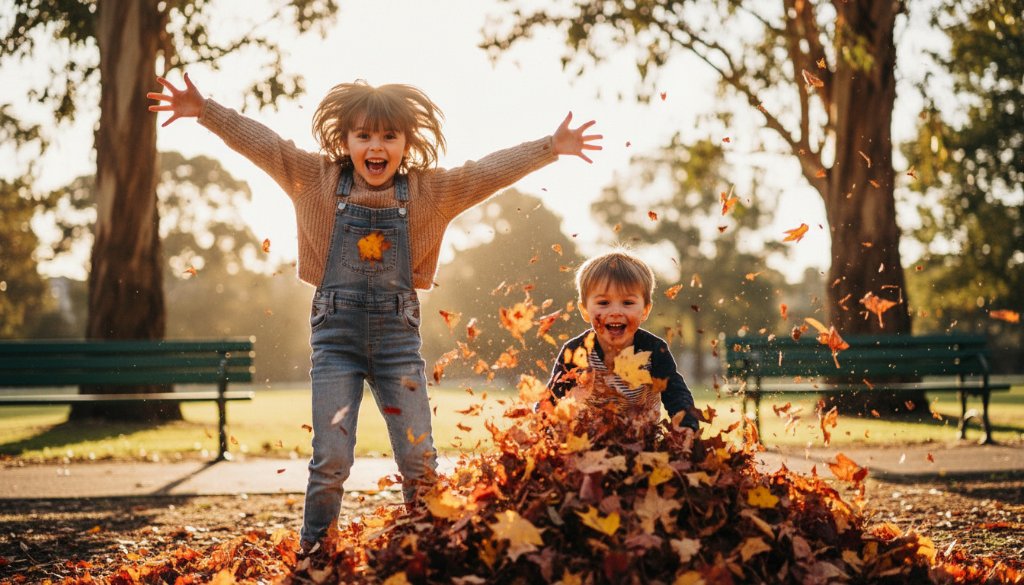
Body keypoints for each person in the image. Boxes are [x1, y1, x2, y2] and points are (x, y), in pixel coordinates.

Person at [147, 73, 602, 553]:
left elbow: (486, 171)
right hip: (335, 346)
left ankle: (427, 549)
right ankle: (316, 554)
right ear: (344, 141)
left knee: (419, 460)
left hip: (398, 348)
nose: (376, 146)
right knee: (331, 461)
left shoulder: (431, 193)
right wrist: (206, 111)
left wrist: (550, 147)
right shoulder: (314, 181)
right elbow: (266, 144)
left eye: (388, 135)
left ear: (407, 142)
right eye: (363, 135)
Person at [546, 250, 700, 430]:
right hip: (587, 439)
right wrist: (542, 431)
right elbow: (551, 400)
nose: (616, 312)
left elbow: (676, 393)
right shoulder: (576, 352)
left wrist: (687, 427)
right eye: (603, 303)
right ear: (585, 310)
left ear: (645, 310)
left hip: (640, 439)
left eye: (627, 303)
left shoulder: (653, 350)